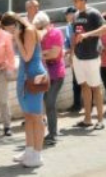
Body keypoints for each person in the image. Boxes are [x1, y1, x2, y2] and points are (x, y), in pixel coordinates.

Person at [1, 11, 46, 169]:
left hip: (33, 74)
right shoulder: (21, 32)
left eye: (9, 29)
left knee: (36, 116)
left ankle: (37, 154)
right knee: (28, 115)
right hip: (25, 73)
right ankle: (29, 150)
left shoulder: (28, 31)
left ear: (14, 24)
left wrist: (16, 38)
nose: (9, 33)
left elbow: (27, 56)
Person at [69, 0, 106, 128]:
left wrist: (87, 35)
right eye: (74, 1)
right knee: (84, 85)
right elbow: (75, 34)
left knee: (95, 87)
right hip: (78, 56)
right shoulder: (76, 15)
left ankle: (100, 120)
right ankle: (87, 119)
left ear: (83, 1)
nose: (74, 3)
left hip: (91, 56)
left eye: (76, 1)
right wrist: (72, 53)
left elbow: (105, 28)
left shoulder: (94, 13)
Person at [35, 11, 67, 144]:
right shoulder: (39, 35)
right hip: (44, 72)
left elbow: (55, 54)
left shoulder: (56, 33)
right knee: (46, 103)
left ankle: (53, 133)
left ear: (45, 24)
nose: (38, 30)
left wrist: (43, 54)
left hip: (56, 73)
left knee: (50, 102)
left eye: (40, 27)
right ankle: (50, 131)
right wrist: (45, 53)